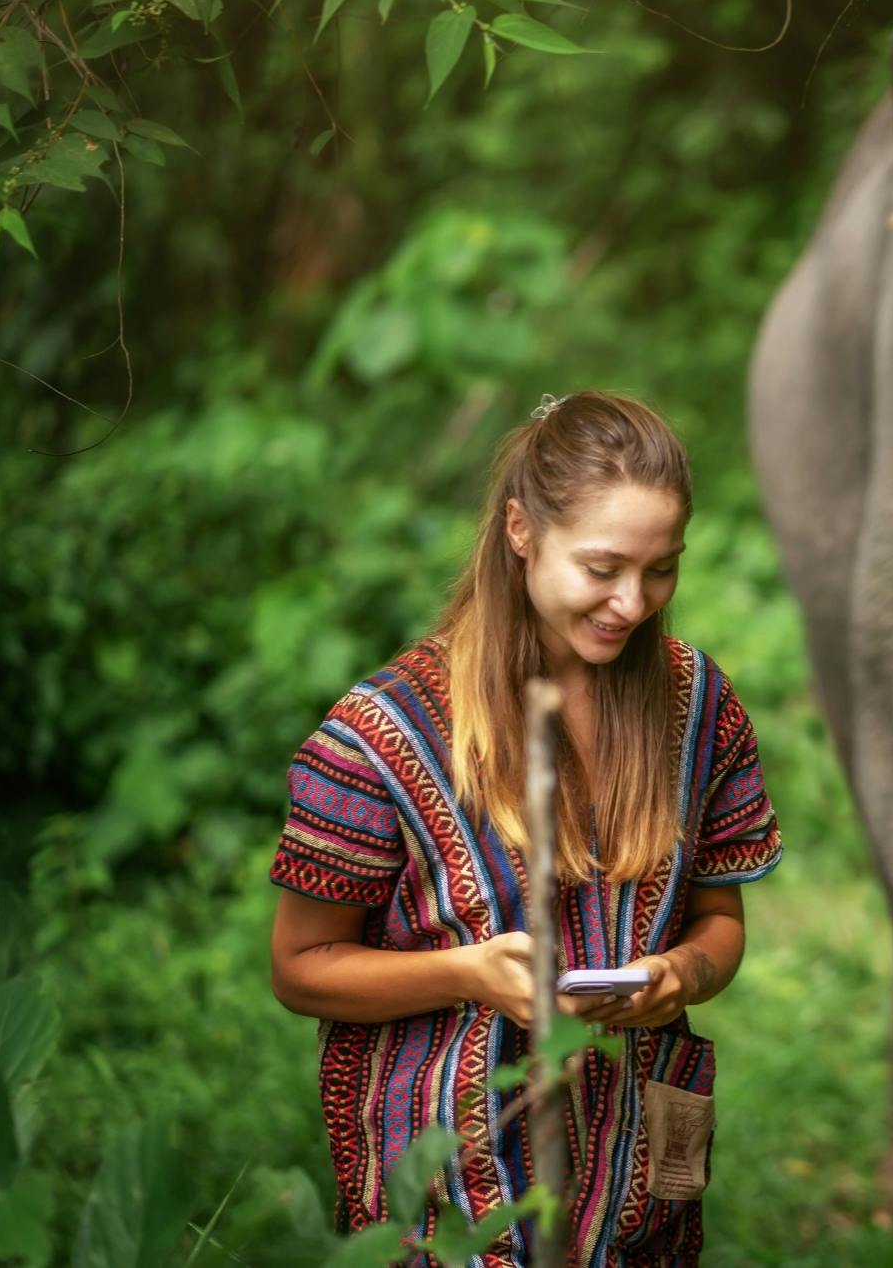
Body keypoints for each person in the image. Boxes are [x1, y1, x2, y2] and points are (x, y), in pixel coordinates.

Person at [267, 391, 781, 1266]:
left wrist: (678, 974)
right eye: (603, 567)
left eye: (662, 569)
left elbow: (718, 922)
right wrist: (466, 972)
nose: (633, 602)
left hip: (631, 1176)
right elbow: (299, 966)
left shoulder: (697, 707)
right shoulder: (380, 736)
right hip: (452, 1189)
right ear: (520, 530)